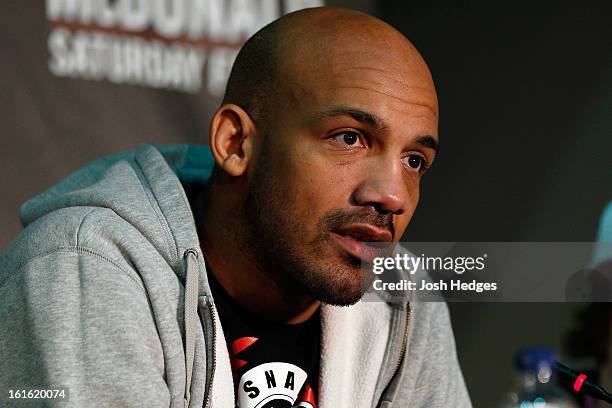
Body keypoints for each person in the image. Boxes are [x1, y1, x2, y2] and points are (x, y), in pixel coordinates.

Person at [0, 7, 471, 408]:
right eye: (349, 138)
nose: (393, 195)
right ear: (236, 142)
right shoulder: (88, 269)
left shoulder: (400, 296)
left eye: (414, 161)